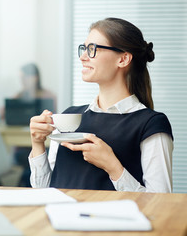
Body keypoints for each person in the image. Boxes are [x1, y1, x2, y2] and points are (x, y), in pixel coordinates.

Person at [28, 18, 173, 192]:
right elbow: (43, 190)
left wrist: (113, 167)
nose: (82, 57)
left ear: (123, 59)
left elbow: (160, 203)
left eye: (92, 49)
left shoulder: (151, 124)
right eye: (84, 48)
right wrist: (37, 144)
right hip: (62, 218)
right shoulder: (68, 118)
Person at [13, 63, 56, 187]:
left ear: (35, 77)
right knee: (22, 156)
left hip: (44, 141)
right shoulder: (19, 96)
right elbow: (3, 114)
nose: (22, 80)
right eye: (20, 77)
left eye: (24, 76)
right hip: (22, 146)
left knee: (37, 156)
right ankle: (28, 181)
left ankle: (27, 182)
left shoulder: (48, 96)